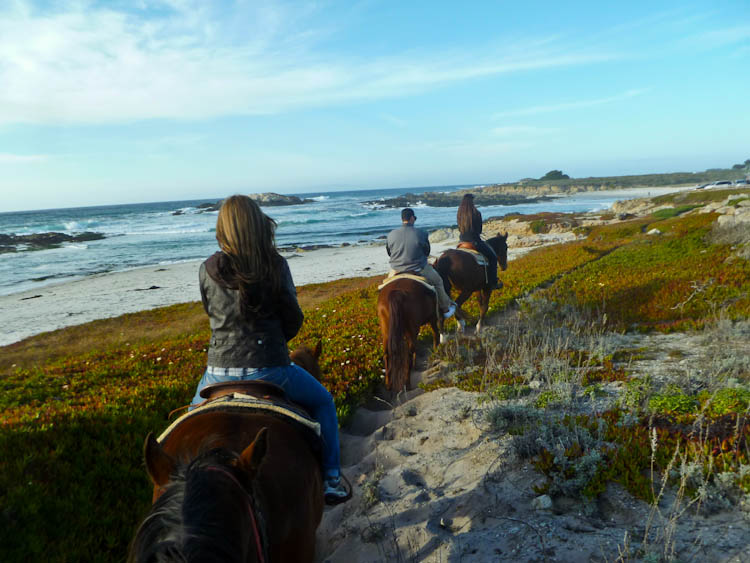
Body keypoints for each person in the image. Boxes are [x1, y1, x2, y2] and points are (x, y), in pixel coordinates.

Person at [190, 194, 349, 505]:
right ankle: (331, 478)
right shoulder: (275, 265)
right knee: (324, 403)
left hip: (217, 373)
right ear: (258, 225)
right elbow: (293, 318)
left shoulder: (206, 269)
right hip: (272, 369)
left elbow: (211, 312)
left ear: (223, 229)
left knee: (188, 422)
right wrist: (278, 343)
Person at [386, 208, 456, 318]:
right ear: (412, 218)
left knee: (383, 288)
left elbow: (389, 252)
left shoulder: (391, 234)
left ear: (402, 219)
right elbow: (426, 251)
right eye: (414, 218)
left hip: (396, 269)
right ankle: (445, 308)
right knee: (438, 282)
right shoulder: (421, 233)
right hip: (419, 268)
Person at [456, 194, 500, 290]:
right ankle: (493, 282)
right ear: (472, 202)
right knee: (493, 257)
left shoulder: (459, 214)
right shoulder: (476, 213)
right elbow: (479, 231)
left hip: (461, 242)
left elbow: (460, 228)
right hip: (474, 242)